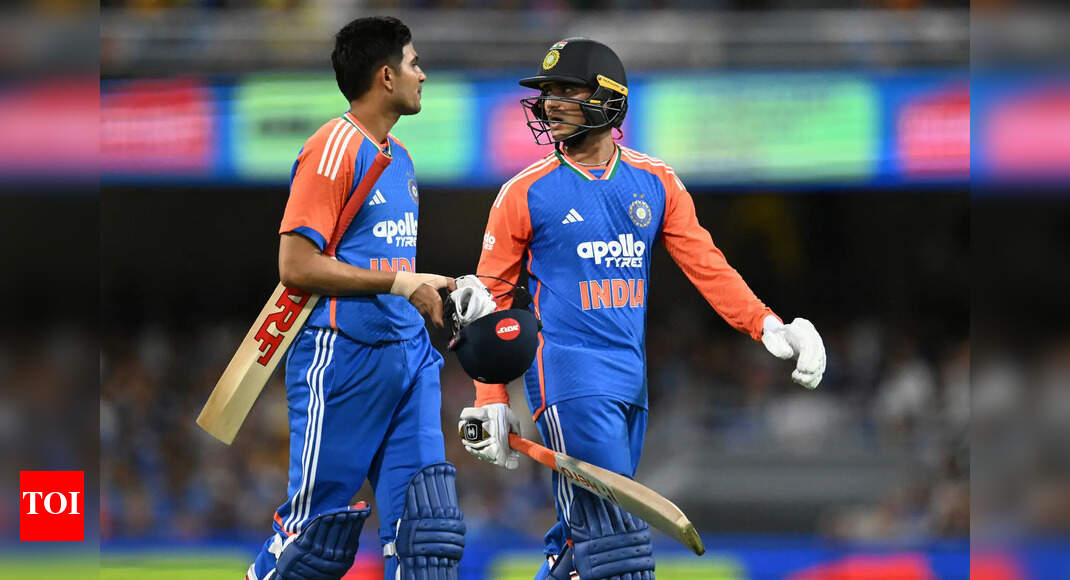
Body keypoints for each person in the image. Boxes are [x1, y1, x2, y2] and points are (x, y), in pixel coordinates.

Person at [457, 38, 826, 580]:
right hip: (568, 378)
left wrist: (767, 323)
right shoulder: (523, 193)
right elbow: (485, 304)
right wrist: (489, 396)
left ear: (607, 99)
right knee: (618, 545)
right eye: (546, 92)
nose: (550, 104)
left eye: (565, 91)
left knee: (581, 545)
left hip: (632, 382)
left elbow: (706, 263)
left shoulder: (655, 181)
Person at [246, 16, 465, 580]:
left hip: (410, 357)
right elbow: (296, 266)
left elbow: (387, 264)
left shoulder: (401, 157)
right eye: (414, 63)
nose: (423, 74)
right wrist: (398, 284)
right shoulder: (332, 147)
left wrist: (431, 285)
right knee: (313, 543)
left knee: (427, 537)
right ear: (386, 76)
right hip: (344, 356)